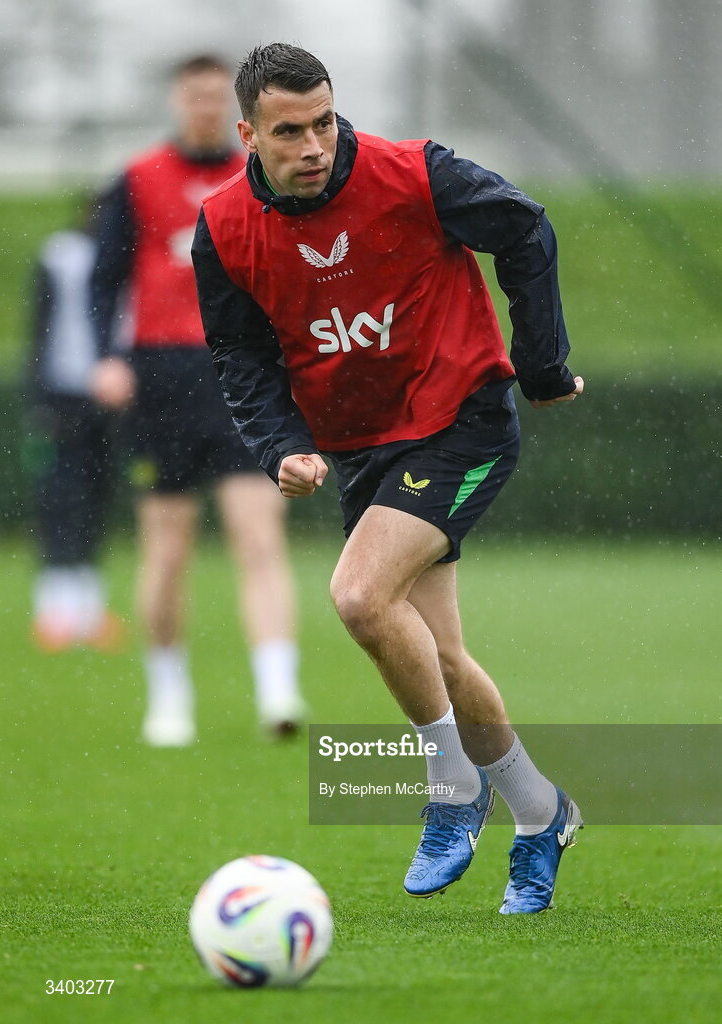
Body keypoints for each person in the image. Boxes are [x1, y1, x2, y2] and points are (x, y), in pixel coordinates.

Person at [192, 43, 585, 913]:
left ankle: (451, 794)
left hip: (459, 422)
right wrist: (279, 444)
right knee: (437, 656)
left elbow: (524, 225)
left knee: (360, 597)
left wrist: (543, 366)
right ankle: (540, 812)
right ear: (248, 134)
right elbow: (241, 352)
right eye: (289, 131)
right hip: (364, 447)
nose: (314, 145)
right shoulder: (222, 227)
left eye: (324, 121)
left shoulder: (417, 174)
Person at [90, 54, 305, 746]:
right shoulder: (136, 179)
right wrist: (107, 358)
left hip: (243, 371)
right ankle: (169, 698)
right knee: (167, 546)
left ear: (238, 110)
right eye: (195, 97)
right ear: (178, 101)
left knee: (258, 535)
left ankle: (277, 690)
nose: (207, 109)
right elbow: (103, 278)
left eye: (218, 98)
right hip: (161, 376)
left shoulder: (264, 175)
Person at [27, 205, 124, 653]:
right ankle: (53, 606)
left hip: (106, 395)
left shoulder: (122, 257)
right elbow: (38, 330)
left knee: (95, 499)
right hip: (64, 395)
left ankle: (86, 607)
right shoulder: (60, 256)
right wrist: (39, 400)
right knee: (60, 499)